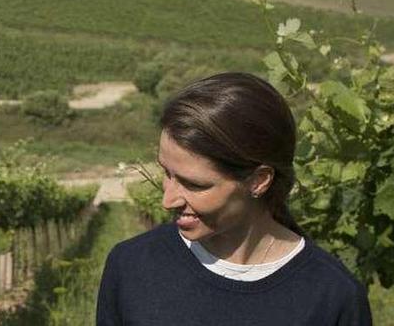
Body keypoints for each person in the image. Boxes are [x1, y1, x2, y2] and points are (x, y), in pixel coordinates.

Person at [96, 72, 372, 326]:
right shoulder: (132, 265)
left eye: (194, 185)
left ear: (259, 180)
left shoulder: (334, 297)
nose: (167, 201)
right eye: (166, 173)